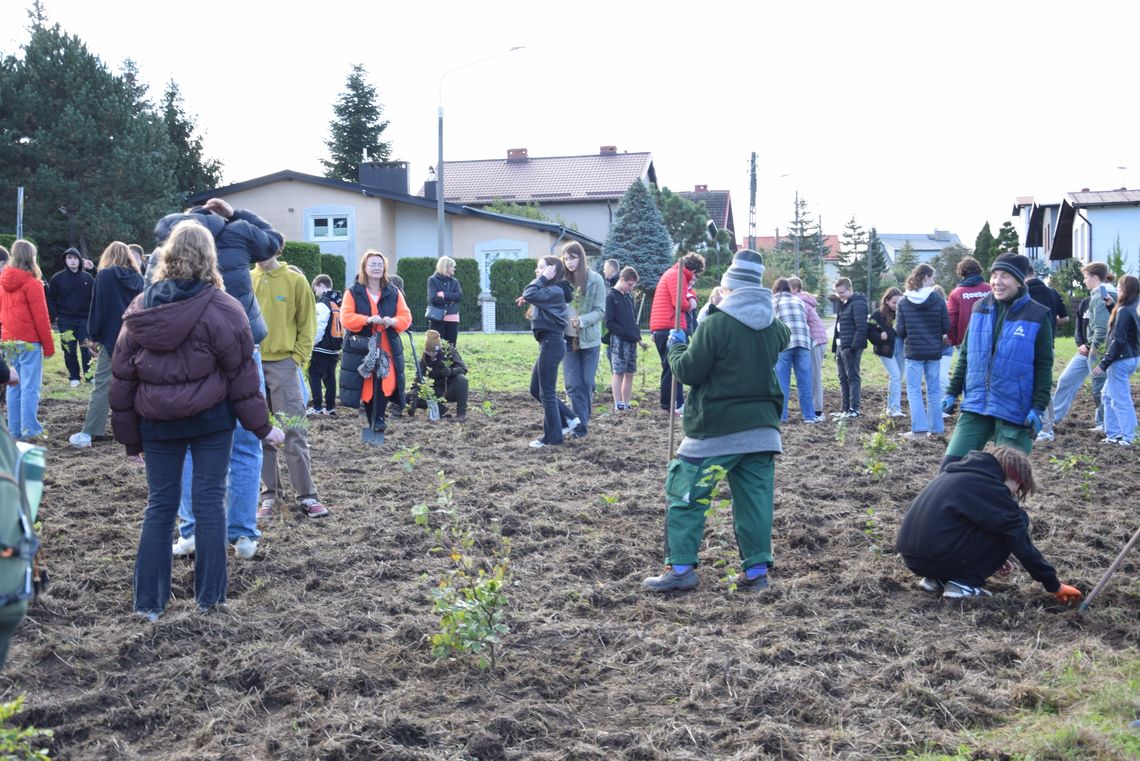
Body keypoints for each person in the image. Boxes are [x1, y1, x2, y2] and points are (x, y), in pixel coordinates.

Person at [109, 220, 284, 621]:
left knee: (160, 506)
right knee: (209, 505)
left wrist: (129, 440)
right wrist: (262, 427)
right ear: (211, 258)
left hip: (158, 425)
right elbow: (244, 379)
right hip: (209, 422)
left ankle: (148, 605)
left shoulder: (140, 309)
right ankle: (211, 601)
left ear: (166, 257)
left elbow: (122, 379)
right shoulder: (225, 308)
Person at [642, 250, 788, 593]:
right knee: (755, 503)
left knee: (686, 494)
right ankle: (756, 574)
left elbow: (690, 371)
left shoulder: (715, 324)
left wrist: (676, 347)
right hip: (763, 431)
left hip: (714, 430)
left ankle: (680, 569)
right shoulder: (777, 329)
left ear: (729, 287)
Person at [160, 198, 283, 560]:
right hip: (242, 346)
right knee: (246, 446)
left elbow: (160, 226)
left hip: (191, 354)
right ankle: (243, 535)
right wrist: (238, 213)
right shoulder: (240, 232)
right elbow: (273, 241)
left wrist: (192, 214)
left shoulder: (176, 234)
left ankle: (193, 530)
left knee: (187, 446)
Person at [896, 446, 1082, 602]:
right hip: (940, 556)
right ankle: (963, 585)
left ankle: (936, 579)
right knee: (1015, 521)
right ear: (1016, 477)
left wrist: (986, 557)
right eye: (1019, 488)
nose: (1016, 495)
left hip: (914, 559)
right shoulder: (989, 488)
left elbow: (961, 525)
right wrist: (1054, 584)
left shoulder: (954, 475)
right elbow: (1018, 540)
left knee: (1005, 522)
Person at [941, 253, 1053, 463]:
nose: (997, 282)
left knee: (1007, 480)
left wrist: (1038, 407)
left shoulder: (1037, 315)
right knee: (951, 468)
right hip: (976, 404)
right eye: (994, 275)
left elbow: (1044, 365)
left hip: (1014, 409)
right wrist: (952, 391)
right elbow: (966, 355)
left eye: (1005, 276)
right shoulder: (979, 308)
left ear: (1019, 281)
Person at [252, 248, 328, 519]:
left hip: (284, 363)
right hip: (251, 364)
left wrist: (296, 359)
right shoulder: (246, 279)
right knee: (260, 431)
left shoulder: (295, 281)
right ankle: (270, 496)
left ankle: (307, 495)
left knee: (294, 429)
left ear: (276, 247)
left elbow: (307, 324)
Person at [68, 242, 144, 449]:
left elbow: (98, 308)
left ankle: (89, 433)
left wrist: (93, 337)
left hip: (112, 339)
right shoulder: (139, 279)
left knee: (101, 386)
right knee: (136, 386)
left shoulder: (105, 275)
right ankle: (141, 431)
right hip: (135, 338)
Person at [1039, 262, 1116, 441]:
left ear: (1094, 276)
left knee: (1099, 388)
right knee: (1066, 379)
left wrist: (1092, 348)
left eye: (1085, 277)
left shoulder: (1102, 296)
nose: (1084, 280)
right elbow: (1082, 327)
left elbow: (1102, 329)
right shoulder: (1092, 298)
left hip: (1097, 351)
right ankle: (1053, 419)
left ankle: (1106, 425)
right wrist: (1082, 343)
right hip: (1086, 351)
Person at [339, 250, 411, 440]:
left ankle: (379, 417)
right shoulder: (353, 292)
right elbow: (346, 317)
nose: (377, 268)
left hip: (387, 346)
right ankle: (372, 419)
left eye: (380, 264)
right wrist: (367, 319)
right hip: (362, 347)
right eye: (373, 264)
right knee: (367, 382)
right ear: (364, 267)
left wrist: (393, 322)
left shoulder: (394, 292)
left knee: (386, 381)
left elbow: (406, 316)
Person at [0, 240, 55, 441]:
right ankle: (30, 429)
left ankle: (14, 430)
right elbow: (41, 317)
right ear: (32, 257)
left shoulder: (2, 282)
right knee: (30, 387)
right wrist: (48, 346)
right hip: (30, 340)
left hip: (9, 340)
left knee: (14, 385)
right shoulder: (33, 283)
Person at [521, 256, 576, 447]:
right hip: (548, 342)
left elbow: (529, 292)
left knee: (547, 393)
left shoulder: (555, 291)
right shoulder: (551, 290)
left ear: (552, 271)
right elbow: (530, 295)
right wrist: (536, 288)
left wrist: (542, 279)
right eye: (537, 268)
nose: (538, 271)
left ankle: (553, 437)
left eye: (542, 268)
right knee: (536, 389)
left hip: (552, 342)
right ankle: (568, 418)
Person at [896, 264, 950, 440]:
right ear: (925, 277)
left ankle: (919, 430)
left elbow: (901, 330)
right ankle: (936, 429)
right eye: (932, 277)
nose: (934, 281)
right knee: (933, 390)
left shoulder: (903, 302)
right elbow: (946, 326)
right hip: (934, 351)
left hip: (913, 352)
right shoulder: (938, 299)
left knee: (914, 390)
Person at [560, 242, 607, 438]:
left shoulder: (595, 280)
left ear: (581, 258)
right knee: (573, 384)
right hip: (568, 340)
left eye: (573, 258)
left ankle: (583, 418)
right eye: (566, 258)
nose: (569, 262)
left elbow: (600, 311)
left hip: (589, 341)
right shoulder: (561, 281)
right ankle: (580, 427)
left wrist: (582, 320)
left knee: (587, 383)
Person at [649, 253, 705, 414]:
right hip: (671, 326)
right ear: (693, 270)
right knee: (674, 367)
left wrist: (691, 296)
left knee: (671, 366)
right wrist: (691, 304)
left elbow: (687, 291)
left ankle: (672, 403)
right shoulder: (677, 276)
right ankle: (672, 404)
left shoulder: (674, 274)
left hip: (664, 326)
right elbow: (680, 303)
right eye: (696, 274)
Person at [1092, 274, 1139, 446]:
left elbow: (1118, 340)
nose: (1117, 290)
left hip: (1120, 360)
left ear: (1125, 290)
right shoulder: (1134, 306)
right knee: (1107, 395)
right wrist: (1110, 305)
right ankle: (1113, 434)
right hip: (1132, 357)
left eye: (1119, 287)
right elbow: (1127, 325)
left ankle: (1130, 436)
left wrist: (1104, 364)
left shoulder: (1124, 310)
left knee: (1120, 399)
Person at [47, 247, 94, 386]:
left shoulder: (88, 278)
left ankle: (89, 376)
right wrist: (55, 316)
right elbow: (51, 298)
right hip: (65, 320)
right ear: (65, 260)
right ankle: (74, 377)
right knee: (69, 349)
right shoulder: (57, 278)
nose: (72, 261)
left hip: (84, 320)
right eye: (69, 258)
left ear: (80, 260)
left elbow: (95, 297)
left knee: (87, 349)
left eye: (75, 258)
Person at [772, 278, 817, 424]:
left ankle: (781, 417)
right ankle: (809, 416)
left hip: (785, 344)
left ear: (776, 289)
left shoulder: (774, 302)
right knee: (804, 381)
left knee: (782, 383)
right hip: (804, 342)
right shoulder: (799, 301)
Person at [605, 266, 646, 411]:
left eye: (633, 285)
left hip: (632, 341)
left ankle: (626, 403)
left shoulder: (628, 297)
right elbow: (609, 322)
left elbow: (633, 320)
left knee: (630, 372)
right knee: (618, 372)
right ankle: (618, 404)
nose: (631, 288)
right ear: (622, 279)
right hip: (619, 341)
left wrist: (638, 338)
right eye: (629, 284)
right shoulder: (611, 296)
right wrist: (624, 334)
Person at [789, 277, 828, 418]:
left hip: (814, 341)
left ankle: (817, 411)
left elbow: (799, 321)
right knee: (812, 375)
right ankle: (814, 409)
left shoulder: (799, 301)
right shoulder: (802, 299)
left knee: (814, 376)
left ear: (794, 289)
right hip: (815, 340)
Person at [830, 277, 868, 419]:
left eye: (842, 292)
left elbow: (861, 328)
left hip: (850, 347)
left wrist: (852, 347)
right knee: (842, 377)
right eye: (838, 293)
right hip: (841, 346)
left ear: (850, 289)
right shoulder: (844, 303)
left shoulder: (858, 304)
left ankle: (854, 409)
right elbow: (838, 327)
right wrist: (836, 347)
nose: (840, 295)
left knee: (852, 376)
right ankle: (844, 409)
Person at [412, 329, 469, 421]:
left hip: (450, 389)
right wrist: (413, 398)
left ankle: (461, 414)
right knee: (409, 397)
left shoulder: (449, 352)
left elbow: (463, 368)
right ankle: (439, 408)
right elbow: (418, 379)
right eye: (428, 352)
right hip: (434, 392)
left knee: (462, 380)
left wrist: (451, 371)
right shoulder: (423, 361)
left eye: (434, 352)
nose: (431, 354)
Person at [307, 274, 342, 417]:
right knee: (330, 377)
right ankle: (330, 407)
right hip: (334, 347)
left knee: (314, 375)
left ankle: (316, 406)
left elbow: (318, 326)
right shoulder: (338, 302)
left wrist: (311, 343)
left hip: (321, 347)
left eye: (315, 289)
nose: (315, 293)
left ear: (321, 285)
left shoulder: (322, 304)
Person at [868, 287, 905, 417]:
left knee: (899, 377)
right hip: (886, 349)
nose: (897, 305)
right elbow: (870, 331)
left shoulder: (903, 312)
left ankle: (893, 406)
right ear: (887, 301)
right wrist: (879, 337)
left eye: (899, 302)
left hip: (901, 348)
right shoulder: (878, 315)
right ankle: (893, 409)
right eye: (894, 302)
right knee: (895, 376)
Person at [426, 256, 462, 347]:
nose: (454, 269)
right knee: (436, 346)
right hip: (437, 317)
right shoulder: (433, 280)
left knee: (451, 347)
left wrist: (444, 295)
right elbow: (433, 298)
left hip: (452, 317)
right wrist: (451, 300)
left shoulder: (454, 281)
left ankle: (450, 362)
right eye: (452, 266)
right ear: (446, 267)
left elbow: (459, 296)